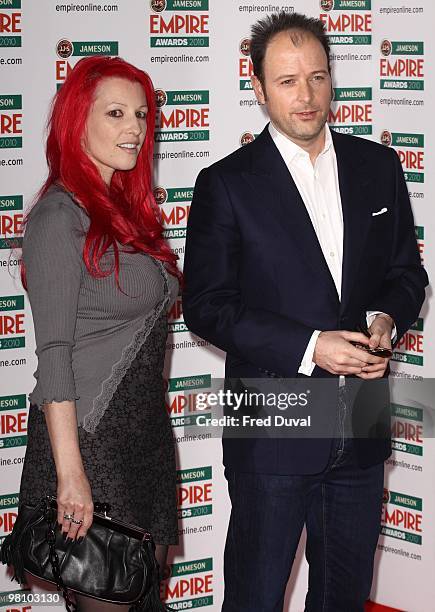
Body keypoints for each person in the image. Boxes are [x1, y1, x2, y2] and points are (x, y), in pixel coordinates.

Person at [182, 12, 428, 612]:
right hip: (273, 425)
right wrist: (312, 345)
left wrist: (387, 321)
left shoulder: (378, 168)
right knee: (256, 598)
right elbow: (206, 307)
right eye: (288, 81)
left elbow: (406, 275)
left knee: (342, 600)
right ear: (258, 86)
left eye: (317, 77)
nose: (307, 95)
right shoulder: (226, 184)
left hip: (362, 423)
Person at [16, 56, 180, 611]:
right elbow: (54, 358)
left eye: (141, 114)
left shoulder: (125, 216)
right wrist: (70, 476)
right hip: (89, 444)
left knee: (142, 600)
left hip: (145, 442)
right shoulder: (58, 218)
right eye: (115, 113)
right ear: (76, 121)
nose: (134, 128)